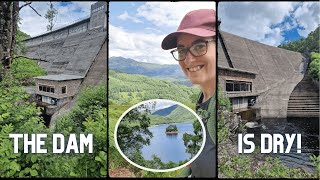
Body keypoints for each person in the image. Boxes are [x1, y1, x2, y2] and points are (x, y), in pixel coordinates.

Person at [161, 9, 217, 177]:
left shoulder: (221, 107)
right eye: (181, 50)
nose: (188, 60)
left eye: (199, 46)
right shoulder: (201, 100)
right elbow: (197, 159)